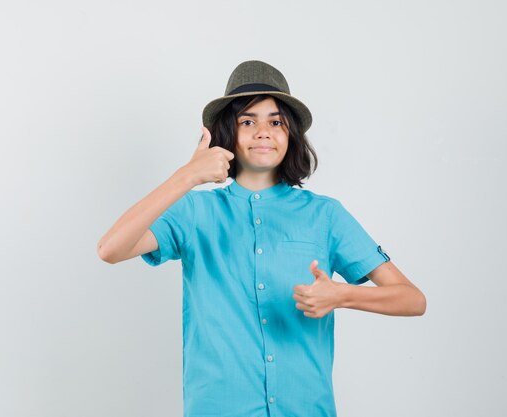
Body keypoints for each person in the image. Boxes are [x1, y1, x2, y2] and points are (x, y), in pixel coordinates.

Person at [98, 60, 426, 417]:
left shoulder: (325, 215)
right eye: (248, 121)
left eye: (275, 122)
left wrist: (343, 294)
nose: (263, 132)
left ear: (291, 134)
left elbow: (412, 299)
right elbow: (110, 249)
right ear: (229, 133)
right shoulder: (195, 212)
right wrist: (186, 176)